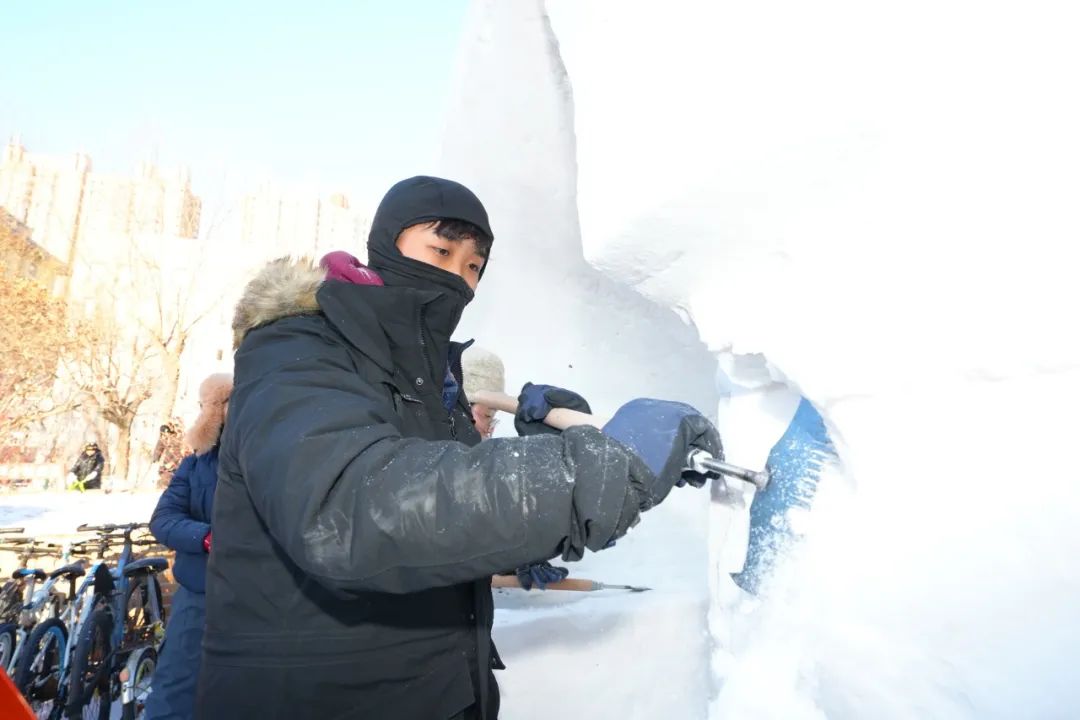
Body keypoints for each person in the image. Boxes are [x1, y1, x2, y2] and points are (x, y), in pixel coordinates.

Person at [196, 176, 723, 720]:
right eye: (441, 250)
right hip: (315, 700)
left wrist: (551, 445)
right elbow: (348, 512)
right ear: (385, 245)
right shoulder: (299, 352)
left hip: (438, 692)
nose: (456, 277)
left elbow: (459, 538)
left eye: (474, 266)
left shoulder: (433, 385)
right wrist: (588, 471)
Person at [146, 373, 232, 720]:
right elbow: (164, 518)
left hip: (263, 596)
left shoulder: (272, 457)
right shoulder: (196, 463)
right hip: (201, 593)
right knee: (175, 689)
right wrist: (206, 536)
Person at [461, 345, 571, 591]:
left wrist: (517, 555)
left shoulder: (477, 460)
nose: (489, 428)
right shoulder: (421, 454)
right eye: (487, 415)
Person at [152, 418, 187, 489]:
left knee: (176, 475)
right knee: (165, 473)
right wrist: (156, 457)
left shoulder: (182, 437)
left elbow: (182, 452)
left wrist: (173, 462)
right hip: (168, 459)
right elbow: (159, 446)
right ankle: (162, 486)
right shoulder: (166, 436)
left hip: (178, 461)